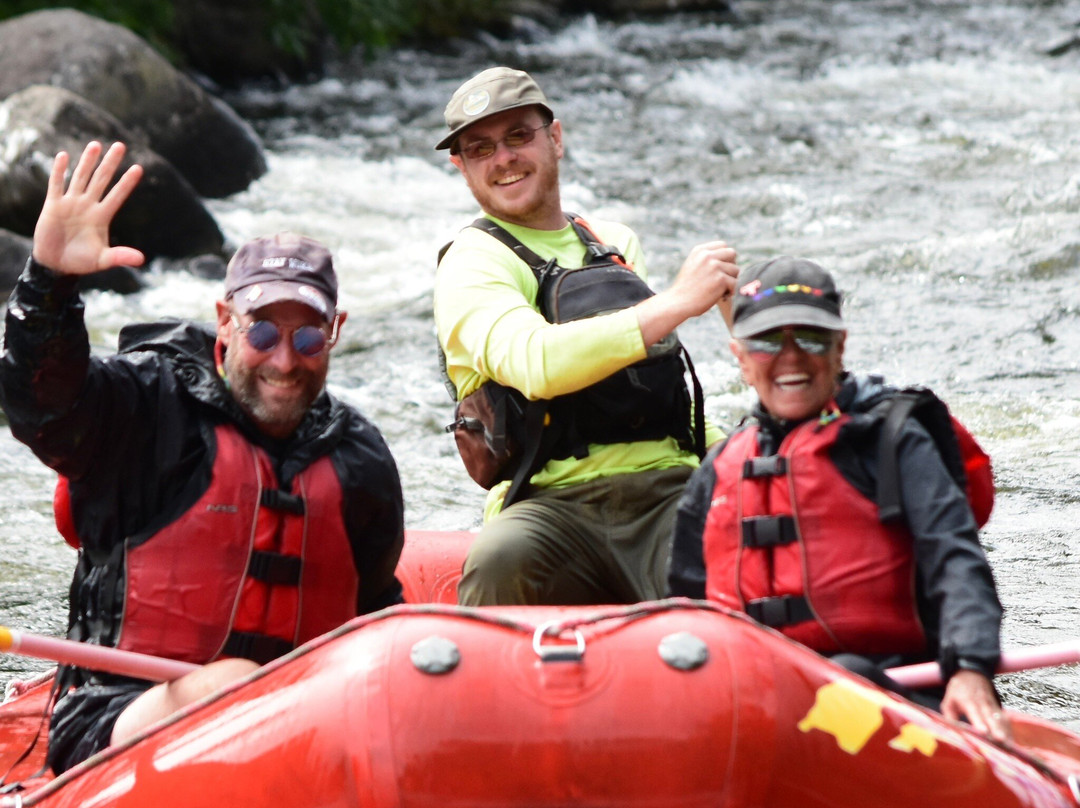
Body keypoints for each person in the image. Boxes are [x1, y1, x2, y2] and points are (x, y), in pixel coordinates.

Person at [0, 141, 405, 772]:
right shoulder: (148, 407)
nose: (284, 359)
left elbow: (377, 616)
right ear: (225, 320)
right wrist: (50, 282)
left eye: (306, 336)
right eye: (264, 331)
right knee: (232, 684)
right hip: (118, 716)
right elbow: (39, 402)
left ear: (335, 333)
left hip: (311, 726)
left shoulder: (360, 460)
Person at [666, 255, 1010, 742]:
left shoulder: (892, 440)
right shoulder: (719, 468)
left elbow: (955, 558)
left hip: (895, 690)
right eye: (766, 342)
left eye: (809, 337)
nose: (790, 357)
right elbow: (685, 603)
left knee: (848, 674)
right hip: (759, 699)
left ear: (839, 346)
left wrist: (971, 667)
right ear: (740, 358)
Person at [433, 66, 739, 606]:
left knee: (734, 542)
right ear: (462, 168)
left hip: (666, 490)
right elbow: (536, 364)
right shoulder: (470, 261)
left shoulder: (614, 242)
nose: (503, 159)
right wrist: (674, 303)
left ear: (555, 138)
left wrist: (743, 454)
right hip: (547, 503)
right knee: (501, 557)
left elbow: (653, 387)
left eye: (518, 137)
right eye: (480, 149)